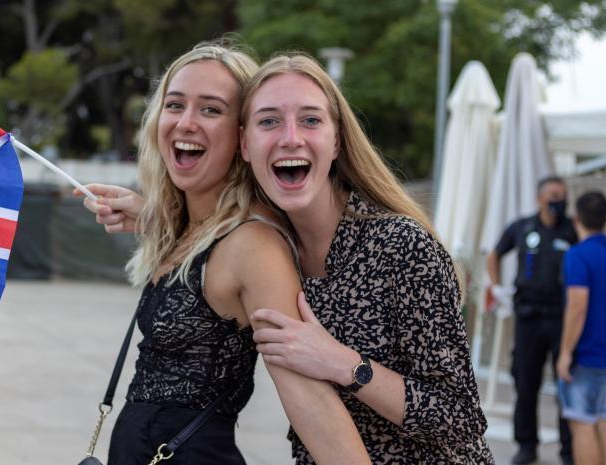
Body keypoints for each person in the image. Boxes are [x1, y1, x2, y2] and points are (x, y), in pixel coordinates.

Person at [84, 51, 494, 463]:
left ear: (338, 139)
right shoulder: (274, 240)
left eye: (311, 120)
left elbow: (462, 417)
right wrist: (159, 219)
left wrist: (345, 364)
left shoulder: (400, 245)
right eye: (269, 121)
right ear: (246, 143)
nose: (290, 137)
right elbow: (223, 239)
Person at [81, 41, 370, 465]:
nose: (186, 122)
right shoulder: (189, 232)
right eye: (175, 105)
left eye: (211, 109)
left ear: (243, 137)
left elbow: (311, 400)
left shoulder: (254, 247)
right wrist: (155, 219)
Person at [487, 175, 578, 465]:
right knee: (525, 382)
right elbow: (494, 254)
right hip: (527, 317)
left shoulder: (571, 229)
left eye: (562, 195)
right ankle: (526, 444)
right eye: (553, 195)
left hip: (560, 317)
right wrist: (497, 286)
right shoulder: (523, 227)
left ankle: (568, 450)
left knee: (566, 386)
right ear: (540, 198)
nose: (558, 201)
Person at [556, 191, 606, 465]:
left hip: (586, 356)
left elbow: (578, 306)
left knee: (583, 425)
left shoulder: (578, 255)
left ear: (577, 219)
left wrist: (565, 352)